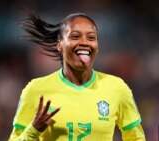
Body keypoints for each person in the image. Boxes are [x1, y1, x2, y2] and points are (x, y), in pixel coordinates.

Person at [9, 11, 146, 141]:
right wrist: (34, 130)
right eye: (75, 36)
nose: (84, 42)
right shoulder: (35, 90)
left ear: (97, 47)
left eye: (91, 37)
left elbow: (136, 137)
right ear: (60, 45)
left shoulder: (117, 88)